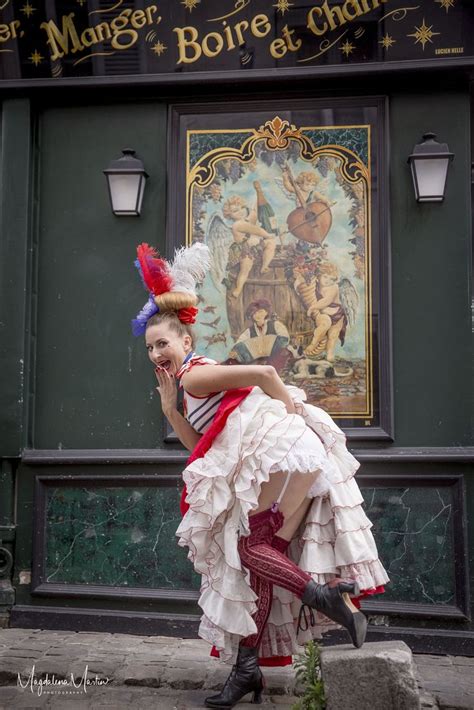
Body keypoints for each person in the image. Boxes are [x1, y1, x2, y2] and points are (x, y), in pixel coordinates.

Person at [132, 242, 389, 709]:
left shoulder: (192, 377)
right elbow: (202, 450)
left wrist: (294, 422)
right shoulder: (185, 387)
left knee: (249, 548)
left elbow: (268, 376)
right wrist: (171, 412)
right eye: (149, 347)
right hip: (291, 458)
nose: (156, 354)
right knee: (260, 560)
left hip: (283, 454)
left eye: (163, 343)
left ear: (186, 342)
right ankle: (247, 671)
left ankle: (327, 596)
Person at [222, 195, 277, 298]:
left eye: (242, 208)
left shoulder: (245, 221)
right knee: (245, 269)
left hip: (256, 247)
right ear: (229, 215)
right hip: (245, 251)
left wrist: (257, 197)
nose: (240, 211)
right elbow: (256, 230)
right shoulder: (237, 225)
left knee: (271, 243)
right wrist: (268, 235)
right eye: (235, 211)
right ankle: (238, 289)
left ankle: (265, 265)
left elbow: (254, 213)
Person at [228, 298, 290, 366]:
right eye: (254, 313)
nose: (257, 315)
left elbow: (284, 338)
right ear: (251, 315)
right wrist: (235, 352)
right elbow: (239, 343)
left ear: (266, 312)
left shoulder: (276, 325)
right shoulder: (249, 331)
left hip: (275, 358)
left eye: (260, 312)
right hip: (256, 361)